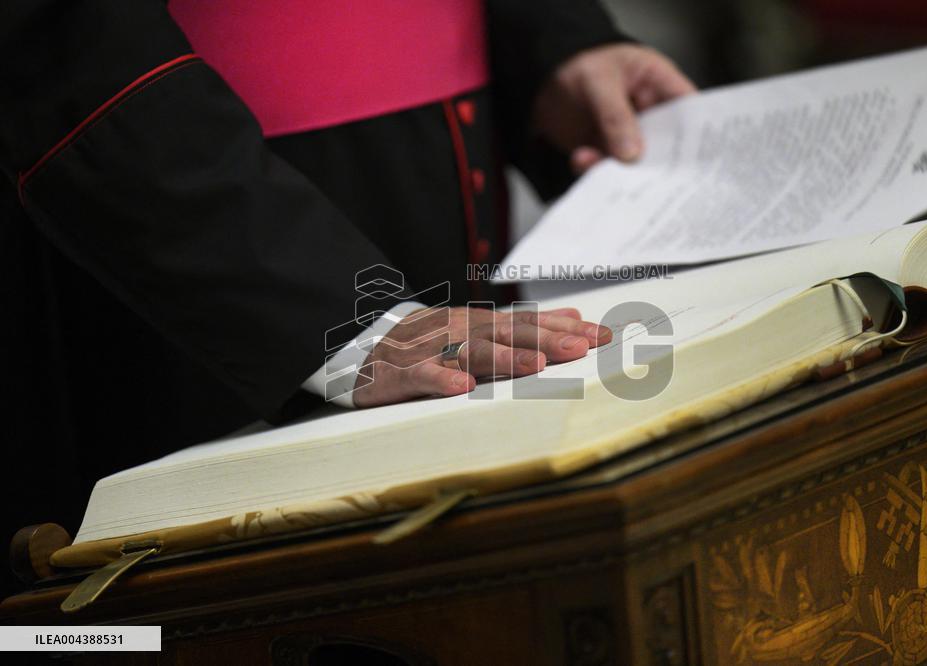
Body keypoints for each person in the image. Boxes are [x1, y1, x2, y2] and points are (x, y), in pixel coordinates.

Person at [0, 0, 694, 594]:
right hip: (193, 230)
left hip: (444, 157)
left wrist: (558, 40)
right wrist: (335, 315)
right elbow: (57, 38)